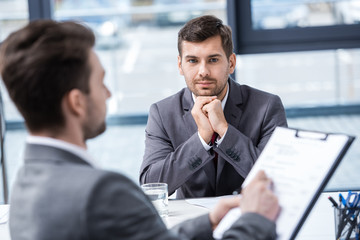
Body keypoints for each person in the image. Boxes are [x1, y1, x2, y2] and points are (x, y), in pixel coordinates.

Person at [0, 20, 280, 240]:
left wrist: (207, 222)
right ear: (76, 102)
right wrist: (256, 219)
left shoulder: (24, 183)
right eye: (101, 81)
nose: (109, 94)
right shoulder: (104, 190)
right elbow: (152, 183)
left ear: (231, 62)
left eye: (213, 59)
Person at [140, 15, 287, 199]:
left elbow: (278, 180)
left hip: (248, 218)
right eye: (192, 61)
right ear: (180, 65)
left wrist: (225, 132)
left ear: (231, 63)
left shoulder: (267, 107)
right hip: (192, 223)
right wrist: (201, 139)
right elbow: (150, 187)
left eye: (213, 60)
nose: (203, 72)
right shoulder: (162, 113)